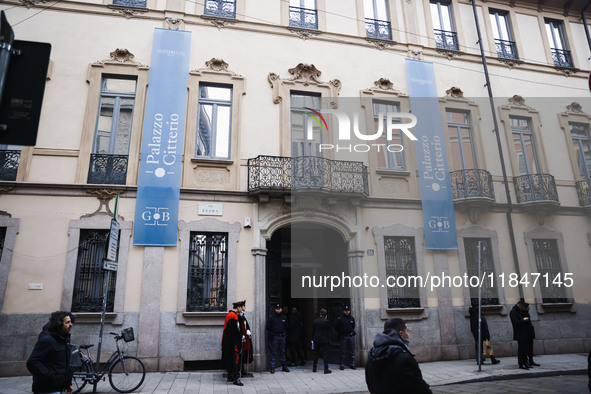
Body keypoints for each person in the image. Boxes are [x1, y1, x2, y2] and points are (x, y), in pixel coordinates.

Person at [365, 318, 431, 394]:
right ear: (401, 334)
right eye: (407, 331)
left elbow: (370, 383)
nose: (408, 335)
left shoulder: (372, 355)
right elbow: (418, 388)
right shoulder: (404, 358)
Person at [27, 311, 74, 394]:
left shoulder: (63, 340)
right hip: (47, 389)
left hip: (59, 388)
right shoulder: (48, 340)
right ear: (59, 324)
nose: (71, 325)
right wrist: (49, 377)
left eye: (70, 322)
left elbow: (64, 364)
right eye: (67, 322)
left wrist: (68, 383)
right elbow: (32, 362)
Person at [509, 300, 538, 370]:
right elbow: (515, 322)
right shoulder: (513, 312)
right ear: (519, 305)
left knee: (526, 349)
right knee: (521, 349)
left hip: (527, 333)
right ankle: (521, 364)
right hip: (520, 334)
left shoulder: (522, 311)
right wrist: (523, 320)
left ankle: (526, 362)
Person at [222, 301, 244, 386]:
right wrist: (240, 336)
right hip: (233, 342)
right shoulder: (233, 316)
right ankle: (235, 378)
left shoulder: (232, 315)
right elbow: (234, 330)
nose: (241, 309)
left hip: (231, 341)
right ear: (238, 307)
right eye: (240, 307)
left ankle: (231, 376)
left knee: (232, 359)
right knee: (235, 359)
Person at [266, 303, 290, 373]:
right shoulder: (272, 317)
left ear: (281, 309)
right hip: (275, 337)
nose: (278, 310)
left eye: (279, 309)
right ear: (275, 310)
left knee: (282, 351)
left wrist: (285, 333)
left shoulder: (284, 317)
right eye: (277, 309)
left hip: (282, 336)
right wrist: (272, 333)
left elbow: (287, 326)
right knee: (273, 352)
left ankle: (284, 366)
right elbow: (268, 327)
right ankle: (272, 367)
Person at [312, 308, 332, 374]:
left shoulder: (315, 321)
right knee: (325, 354)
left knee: (316, 354)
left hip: (316, 339)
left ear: (320, 313)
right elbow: (329, 331)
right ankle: (326, 369)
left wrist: (313, 339)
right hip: (324, 340)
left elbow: (313, 331)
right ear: (326, 315)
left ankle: (314, 368)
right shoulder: (326, 321)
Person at [336, 305, 356, 370]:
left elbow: (353, 326)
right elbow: (337, 327)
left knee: (351, 351)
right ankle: (342, 364)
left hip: (350, 336)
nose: (347, 312)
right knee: (343, 351)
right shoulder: (340, 319)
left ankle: (352, 364)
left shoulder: (351, 318)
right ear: (343, 311)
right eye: (346, 311)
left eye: (348, 311)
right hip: (343, 337)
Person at [237, 300, 253, 376]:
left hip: (245, 338)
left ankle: (242, 369)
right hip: (241, 339)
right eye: (244, 306)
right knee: (241, 354)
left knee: (244, 354)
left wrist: (248, 331)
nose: (245, 307)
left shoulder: (242, 316)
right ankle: (240, 370)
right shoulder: (239, 316)